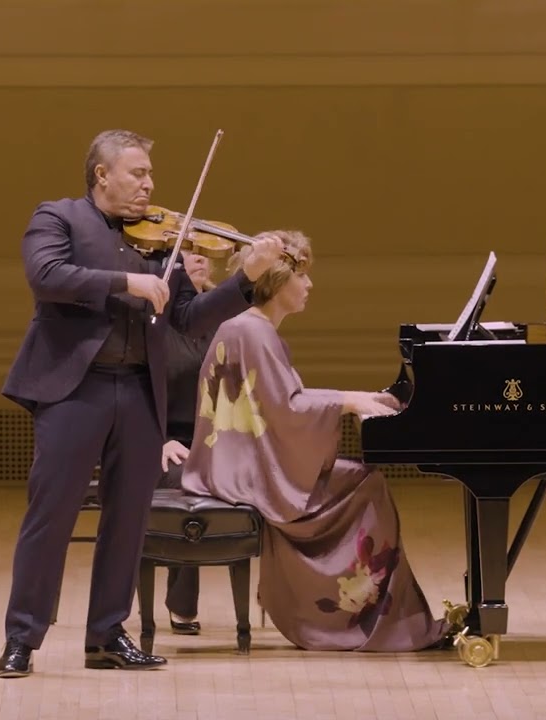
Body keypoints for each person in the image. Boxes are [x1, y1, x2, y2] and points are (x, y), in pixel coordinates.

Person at [0, 128, 286, 678]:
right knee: (50, 517)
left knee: (128, 520)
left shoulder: (160, 243)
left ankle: (107, 635)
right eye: (138, 173)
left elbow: (187, 317)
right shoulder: (58, 218)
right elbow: (46, 275)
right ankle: (21, 638)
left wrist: (245, 282)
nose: (149, 184)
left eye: (150, 174)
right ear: (102, 174)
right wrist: (125, 281)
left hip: (137, 391)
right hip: (73, 390)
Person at [180, 229, 450, 652]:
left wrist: (351, 400)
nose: (309, 285)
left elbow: (282, 405)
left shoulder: (250, 329)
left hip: (240, 460)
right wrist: (348, 400)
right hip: (242, 471)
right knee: (367, 484)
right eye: (302, 276)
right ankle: (357, 620)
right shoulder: (252, 331)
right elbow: (287, 411)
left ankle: (374, 613)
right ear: (277, 281)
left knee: (361, 480)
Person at [155, 251, 217, 635]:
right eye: (186, 251)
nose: (198, 258)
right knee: (186, 482)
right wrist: (157, 440)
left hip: (219, 439)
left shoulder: (226, 317)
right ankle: (182, 603)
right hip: (164, 442)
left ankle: (283, 598)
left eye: (205, 252)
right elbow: (134, 389)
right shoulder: (152, 321)